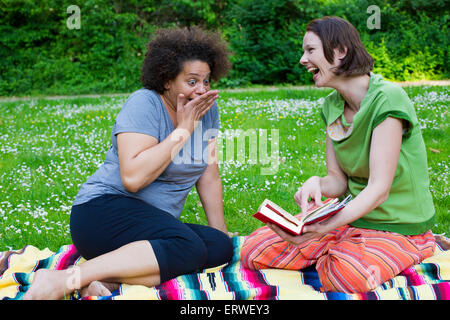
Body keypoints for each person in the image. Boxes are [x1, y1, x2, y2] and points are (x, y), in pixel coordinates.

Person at [24, 27, 234, 299]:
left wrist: (221, 232)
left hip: (151, 229)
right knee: (188, 248)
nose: (202, 90)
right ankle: (63, 279)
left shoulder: (207, 110)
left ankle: (106, 280)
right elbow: (133, 179)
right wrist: (183, 130)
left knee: (218, 247)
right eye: (192, 82)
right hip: (102, 214)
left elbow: (208, 174)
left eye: (206, 81)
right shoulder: (144, 104)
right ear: (167, 79)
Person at [240, 16, 436, 293]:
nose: (302, 60)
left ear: (341, 51)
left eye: (310, 50)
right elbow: (338, 181)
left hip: (398, 225)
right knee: (253, 250)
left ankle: (420, 244)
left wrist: (324, 228)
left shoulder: (387, 100)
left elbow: (379, 189)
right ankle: (341, 247)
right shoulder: (332, 106)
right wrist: (315, 183)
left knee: (344, 277)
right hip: (351, 217)